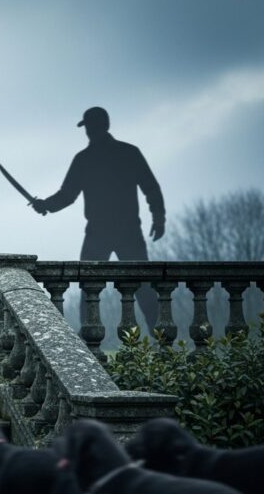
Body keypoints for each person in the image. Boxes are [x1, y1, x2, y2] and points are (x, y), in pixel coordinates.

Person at [31, 107, 165, 332]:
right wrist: (158, 218)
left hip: (105, 232)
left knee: (95, 286)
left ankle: (89, 337)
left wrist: (46, 206)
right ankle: (161, 338)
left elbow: (67, 195)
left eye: (89, 127)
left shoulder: (86, 158)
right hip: (120, 231)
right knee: (127, 286)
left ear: (95, 127)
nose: (88, 131)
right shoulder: (126, 153)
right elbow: (151, 187)